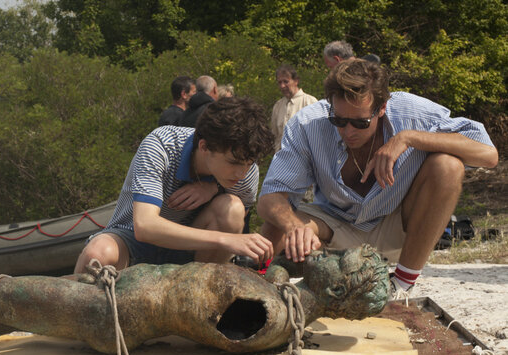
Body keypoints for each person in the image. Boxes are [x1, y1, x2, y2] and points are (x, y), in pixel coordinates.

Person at [0, 245, 388, 355]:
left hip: (110, 313)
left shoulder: (269, 313)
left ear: (341, 288)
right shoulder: (288, 299)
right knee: (1, 315)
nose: (327, 252)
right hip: (116, 293)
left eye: (338, 259)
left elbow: (235, 329)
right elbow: (281, 276)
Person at [256, 59, 497, 297]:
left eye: (360, 122)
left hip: (398, 225)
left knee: (448, 166)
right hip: (334, 224)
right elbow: (270, 197)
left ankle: (401, 284)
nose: (348, 131)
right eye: (339, 120)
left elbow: (488, 154)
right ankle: (258, 291)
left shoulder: (410, 112)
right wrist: (296, 228)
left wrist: (408, 138)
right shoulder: (307, 123)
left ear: (382, 108)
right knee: (279, 220)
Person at [74, 97, 274, 274]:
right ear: (204, 146)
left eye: (249, 164)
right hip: (133, 241)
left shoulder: (246, 166)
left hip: (190, 250)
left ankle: (202, 295)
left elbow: (238, 220)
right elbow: (144, 226)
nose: (242, 174)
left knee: (232, 209)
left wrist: (213, 187)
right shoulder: (161, 145)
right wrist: (225, 239)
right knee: (98, 253)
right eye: (234, 163)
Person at [271, 64, 317, 152]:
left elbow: (317, 135)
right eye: (279, 82)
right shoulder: (278, 106)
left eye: (286, 81)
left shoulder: (310, 102)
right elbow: (275, 136)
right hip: (282, 159)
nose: (282, 86)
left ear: (296, 81)